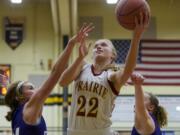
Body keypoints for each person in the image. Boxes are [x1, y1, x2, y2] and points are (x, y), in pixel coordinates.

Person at [59, 12, 149, 135]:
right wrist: (79, 58)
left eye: (104, 45)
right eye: (96, 46)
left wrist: (136, 38)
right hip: (74, 132)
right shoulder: (82, 65)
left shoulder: (112, 75)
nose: (98, 47)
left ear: (112, 55)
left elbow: (128, 69)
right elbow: (62, 82)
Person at [4, 24, 94, 135]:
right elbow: (55, 72)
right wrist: (71, 44)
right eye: (31, 88)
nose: (36, 89)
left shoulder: (17, 113)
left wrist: (8, 85)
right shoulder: (29, 108)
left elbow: (14, 94)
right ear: (20, 97)